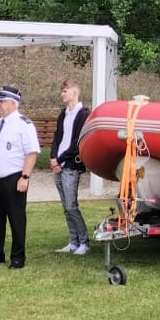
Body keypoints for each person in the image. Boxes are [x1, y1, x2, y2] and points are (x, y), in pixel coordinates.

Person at [0, 85, 40, 268]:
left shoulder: (24, 125)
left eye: (2, 102)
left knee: (16, 218)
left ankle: (18, 257)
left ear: (14, 103)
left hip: (13, 178)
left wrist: (25, 177)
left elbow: (32, 152)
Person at [49, 79, 91, 255]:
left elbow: (77, 143)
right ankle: (73, 242)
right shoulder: (63, 114)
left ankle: (84, 242)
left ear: (74, 91)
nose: (62, 94)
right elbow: (57, 137)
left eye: (65, 91)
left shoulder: (83, 114)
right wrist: (53, 157)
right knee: (65, 207)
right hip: (59, 164)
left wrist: (60, 159)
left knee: (71, 205)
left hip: (71, 165)